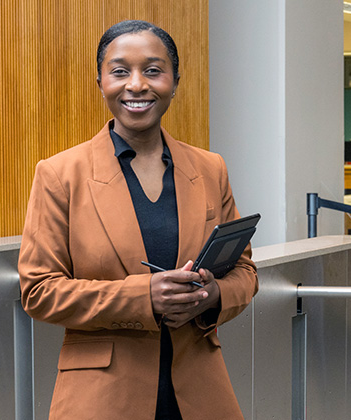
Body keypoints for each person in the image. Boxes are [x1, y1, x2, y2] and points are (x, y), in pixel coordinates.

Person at [18, 20, 258, 420]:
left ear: (175, 81)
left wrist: (211, 295)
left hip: (200, 392)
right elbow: (40, 290)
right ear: (100, 82)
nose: (136, 85)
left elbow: (245, 272)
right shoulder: (61, 174)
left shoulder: (210, 168)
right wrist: (143, 297)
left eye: (152, 70)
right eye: (119, 71)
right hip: (102, 397)